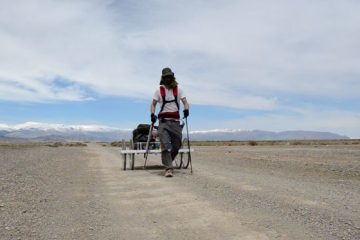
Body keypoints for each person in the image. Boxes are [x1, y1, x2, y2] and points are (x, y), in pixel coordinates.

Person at [151, 67, 190, 177]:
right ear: (163, 78)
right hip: (163, 122)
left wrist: (186, 109)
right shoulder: (158, 91)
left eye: (169, 76)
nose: (168, 78)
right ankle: (168, 168)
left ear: (172, 77)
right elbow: (153, 104)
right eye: (166, 77)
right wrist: (152, 114)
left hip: (175, 122)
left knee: (177, 145)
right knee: (166, 145)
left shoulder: (179, 89)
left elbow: (185, 102)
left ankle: (168, 162)